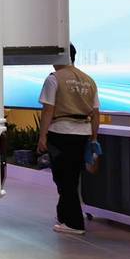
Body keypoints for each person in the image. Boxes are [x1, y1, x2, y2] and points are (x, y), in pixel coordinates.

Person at [36, 44, 100, 235]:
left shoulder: (54, 79)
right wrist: (93, 138)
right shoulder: (89, 80)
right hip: (83, 133)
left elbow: (48, 110)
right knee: (72, 177)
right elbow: (96, 113)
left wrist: (42, 136)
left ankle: (74, 223)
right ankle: (64, 216)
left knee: (64, 179)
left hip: (61, 132)